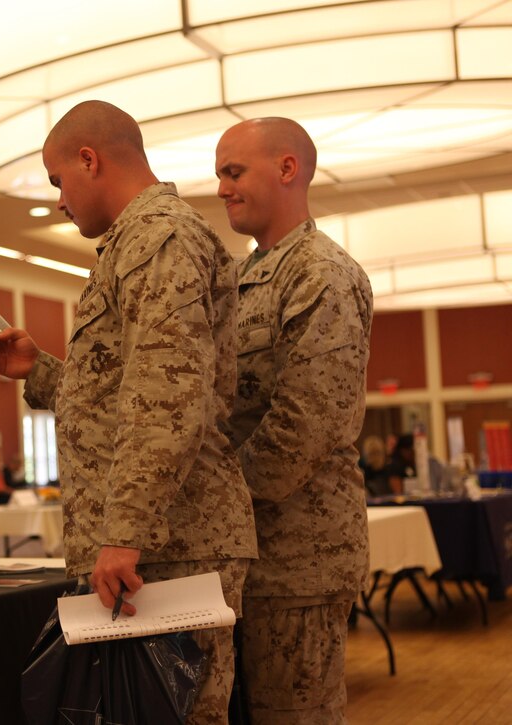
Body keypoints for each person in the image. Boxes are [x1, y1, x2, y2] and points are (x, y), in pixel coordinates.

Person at [0, 100, 257, 723]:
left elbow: (167, 396)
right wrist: (44, 371)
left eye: (58, 182)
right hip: (154, 542)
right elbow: (120, 390)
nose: (58, 201)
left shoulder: (159, 238)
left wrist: (124, 533)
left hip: (169, 542)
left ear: (89, 159)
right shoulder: (132, 244)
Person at [215, 116, 373, 723]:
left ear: (287, 169)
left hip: (298, 561)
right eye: (220, 175)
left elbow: (302, 430)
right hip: (243, 557)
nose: (223, 189)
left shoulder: (321, 275)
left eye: (234, 172)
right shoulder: (239, 279)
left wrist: (211, 501)